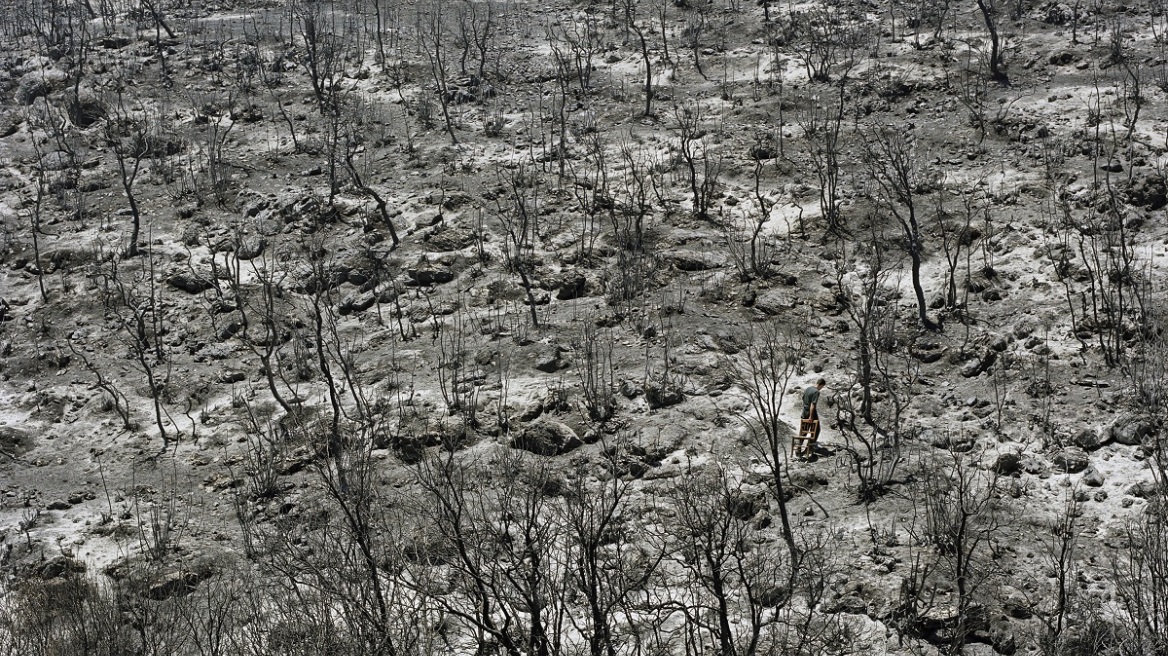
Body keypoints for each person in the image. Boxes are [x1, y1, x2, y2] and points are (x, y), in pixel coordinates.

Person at [799, 378, 826, 458]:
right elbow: (813, 405)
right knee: (816, 430)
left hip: (804, 411)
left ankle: (798, 448)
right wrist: (811, 416)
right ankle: (809, 448)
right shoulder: (816, 392)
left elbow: (803, 399)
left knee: (804, 430)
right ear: (821, 385)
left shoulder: (808, 389)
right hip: (811, 413)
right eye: (822, 387)